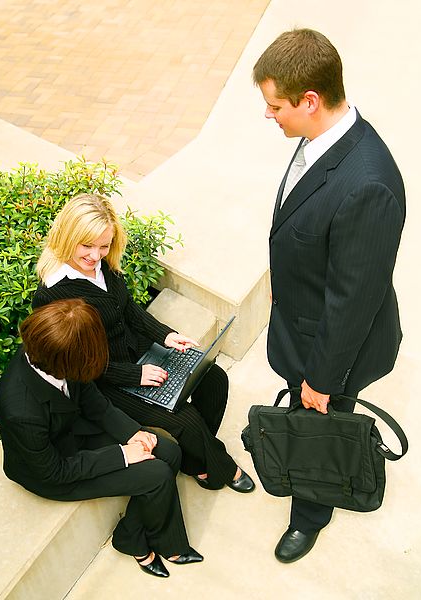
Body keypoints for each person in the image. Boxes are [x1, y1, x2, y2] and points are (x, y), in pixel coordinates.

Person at [252, 28, 406, 563]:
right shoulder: (322, 140)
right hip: (304, 321)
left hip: (332, 352)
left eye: (275, 106)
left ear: (310, 101)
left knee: (318, 429)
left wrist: (320, 380)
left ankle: (309, 514)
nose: (270, 115)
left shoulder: (368, 185)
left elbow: (353, 301)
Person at [32, 192, 254, 494]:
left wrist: (164, 335)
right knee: (185, 420)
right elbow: (77, 364)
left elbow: (129, 310)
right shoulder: (52, 295)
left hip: (141, 353)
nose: (95, 255)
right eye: (87, 245)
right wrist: (134, 375)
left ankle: (195, 458)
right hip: (107, 380)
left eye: (104, 245)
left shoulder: (102, 264)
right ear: (68, 235)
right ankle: (220, 467)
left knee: (214, 377)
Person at [0, 298, 203, 578]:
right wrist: (124, 454)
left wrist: (133, 433)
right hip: (53, 470)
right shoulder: (20, 409)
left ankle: (129, 534)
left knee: (169, 452)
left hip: (73, 431)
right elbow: (55, 471)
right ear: (65, 361)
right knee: (157, 474)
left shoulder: (56, 348)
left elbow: (93, 401)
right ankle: (153, 545)